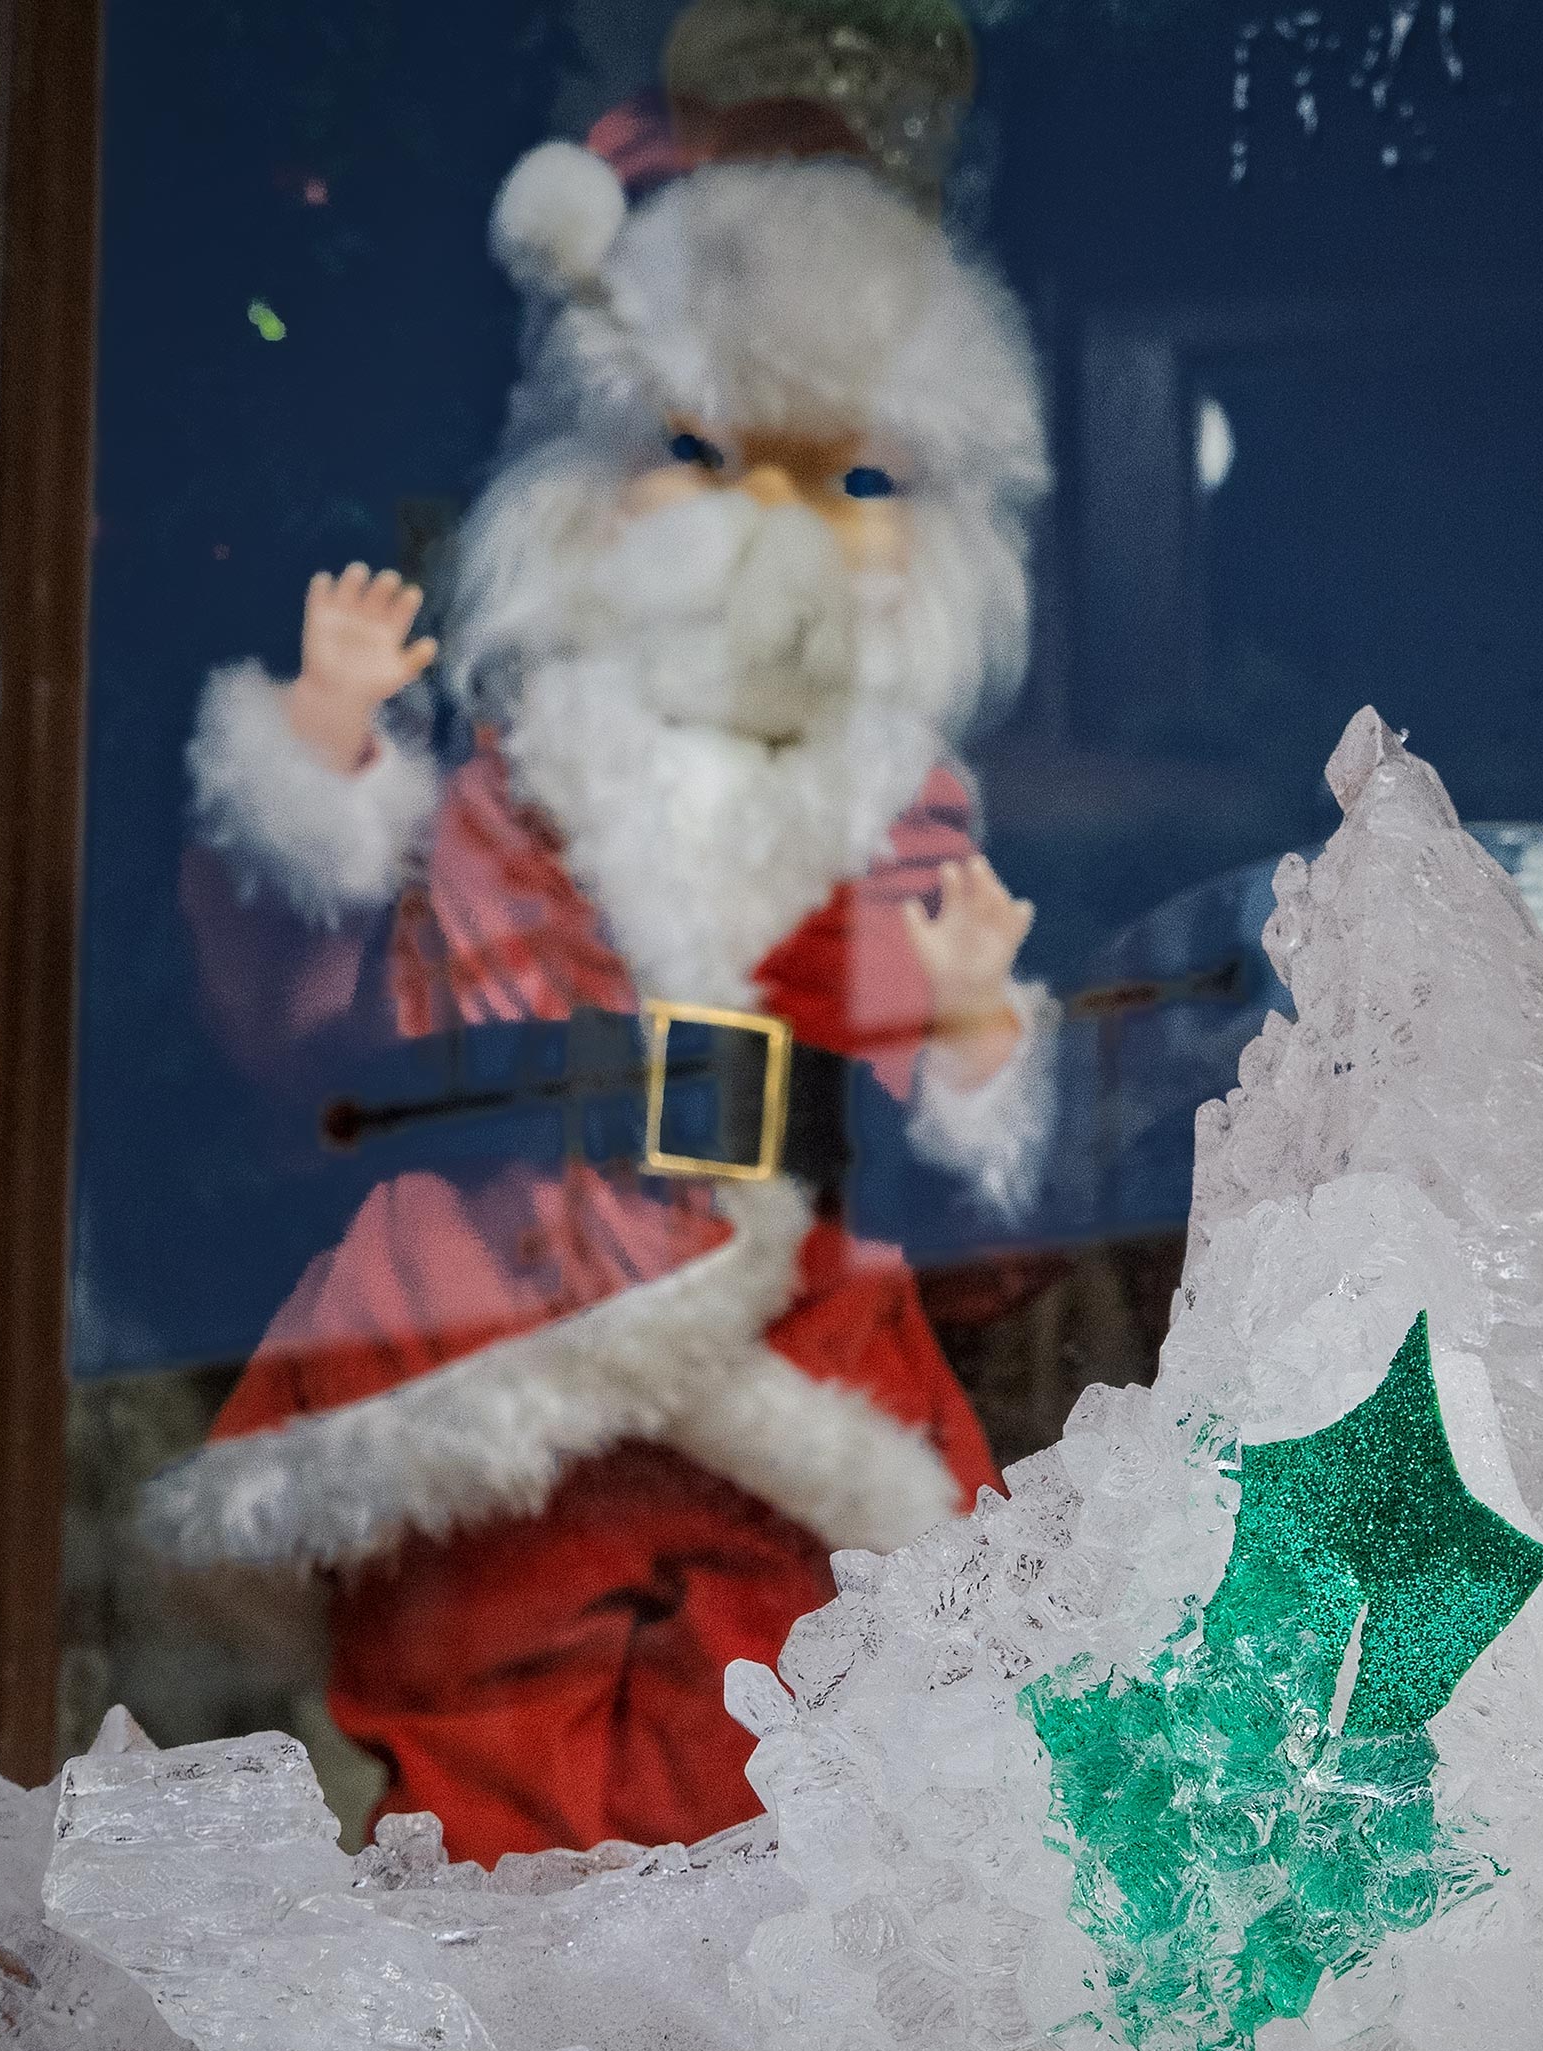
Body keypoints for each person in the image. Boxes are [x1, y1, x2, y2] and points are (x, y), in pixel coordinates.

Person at [142, 120, 1056, 1865]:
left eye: (847, 482)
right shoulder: (513, 788)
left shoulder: (901, 820)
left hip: (795, 1352)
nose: (770, 527)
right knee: (480, 1706)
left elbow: (976, 1214)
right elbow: (328, 1033)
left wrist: (973, 1040)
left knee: (783, 1733)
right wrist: (319, 769)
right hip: (498, 1321)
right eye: (702, 456)